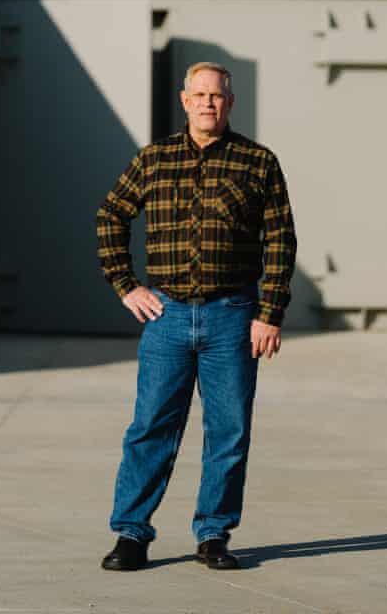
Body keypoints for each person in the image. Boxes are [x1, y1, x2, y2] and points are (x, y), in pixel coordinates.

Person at [96, 61, 298, 571]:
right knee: (150, 427)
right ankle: (131, 535)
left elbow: (280, 238)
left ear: (230, 103)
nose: (209, 103)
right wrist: (126, 285)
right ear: (185, 100)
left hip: (233, 314)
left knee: (228, 430)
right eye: (200, 95)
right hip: (167, 314)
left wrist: (270, 312)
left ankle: (214, 534)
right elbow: (112, 215)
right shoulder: (155, 159)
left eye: (218, 96)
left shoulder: (258, 162)